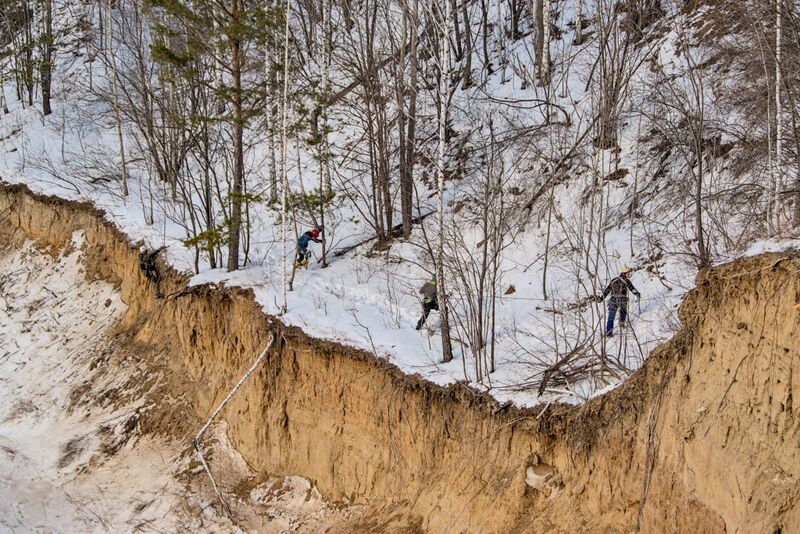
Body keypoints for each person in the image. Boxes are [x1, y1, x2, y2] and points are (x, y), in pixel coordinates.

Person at [601, 266, 640, 337]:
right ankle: (621, 323)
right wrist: (637, 294)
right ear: (624, 273)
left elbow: (607, 290)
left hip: (613, 300)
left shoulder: (614, 280)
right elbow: (632, 289)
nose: (629, 274)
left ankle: (609, 333)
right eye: (628, 273)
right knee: (623, 312)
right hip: (622, 299)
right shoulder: (627, 281)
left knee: (611, 318)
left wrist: (601, 298)